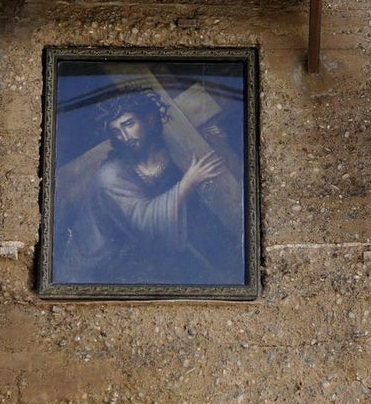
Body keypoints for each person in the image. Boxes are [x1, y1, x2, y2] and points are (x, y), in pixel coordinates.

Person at [56, 87, 240, 285]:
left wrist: (211, 138)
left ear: (149, 119)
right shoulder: (110, 175)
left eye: (128, 124)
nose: (125, 137)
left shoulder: (171, 153)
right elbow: (144, 222)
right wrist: (189, 182)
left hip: (158, 248)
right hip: (106, 263)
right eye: (116, 131)